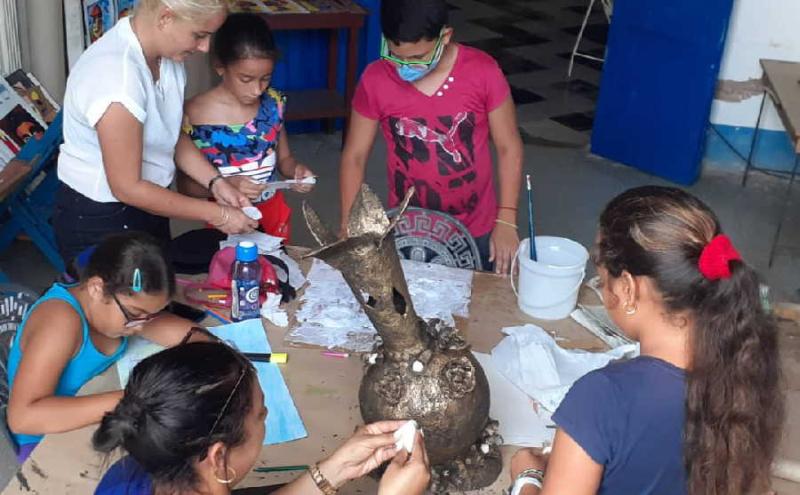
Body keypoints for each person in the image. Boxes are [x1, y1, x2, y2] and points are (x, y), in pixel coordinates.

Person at [508, 186, 784, 494]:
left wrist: (527, 476)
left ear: (627, 288)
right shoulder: (745, 368)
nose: (603, 289)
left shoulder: (601, 398)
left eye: (602, 279)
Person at [54, 0, 258, 266]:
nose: (205, 47)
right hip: (101, 217)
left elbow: (169, 133)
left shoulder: (165, 56)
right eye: (199, 35)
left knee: (156, 293)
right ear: (165, 18)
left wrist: (215, 182)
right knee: (129, 303)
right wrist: (218, 213)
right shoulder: (116, 77)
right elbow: (127, 187)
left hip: (147, 203)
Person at [93, 339, 431, 495]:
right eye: (261, 415)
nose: (265, 418)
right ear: (219, 456)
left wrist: (334, 470)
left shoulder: (131, 475)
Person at [339, 0, 523, 274]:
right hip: (409, 226)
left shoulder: (482, 71)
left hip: (477, 227)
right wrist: (350, 222)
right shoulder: (375, 79)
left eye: (418, 57)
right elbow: (354, 156)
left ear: (445, 37)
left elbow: (509, 146)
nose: (405, 67)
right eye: (395, 55)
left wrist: (507, 218)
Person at [6, 232, 206, 463]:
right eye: (134, 314)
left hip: (94, 409)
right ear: (96, 288)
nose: (141, 325)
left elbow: (189, 335)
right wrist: (137, 398)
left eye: (150, 315)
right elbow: (23, 418)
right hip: (44, 438)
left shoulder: (119, 310)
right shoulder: (60, 322)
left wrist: (211, 355)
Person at [179, 13, 315, 241]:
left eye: (265, 78)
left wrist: (296, 171)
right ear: (220, 67)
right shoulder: (193, 115)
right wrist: (228, 185)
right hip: (224, 220)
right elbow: (185, 187)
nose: (257, 90)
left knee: (276, 270)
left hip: (273, 215)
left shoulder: (273, 105)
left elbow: (284, 159)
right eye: (246, 79)